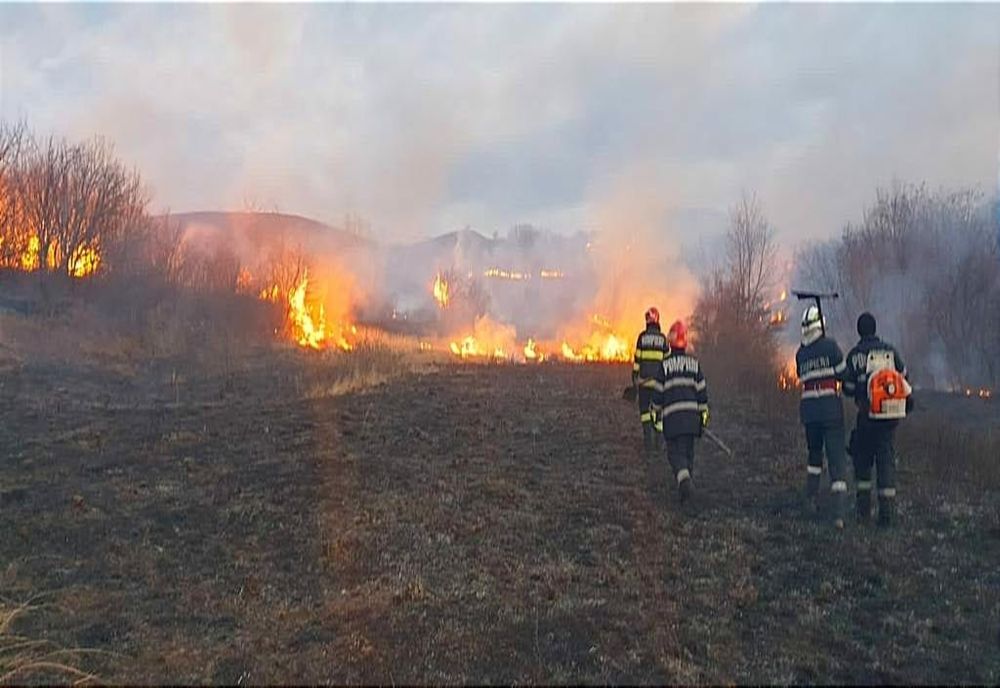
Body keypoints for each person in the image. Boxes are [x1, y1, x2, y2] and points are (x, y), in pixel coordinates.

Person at [841, 312, 912, 527]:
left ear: (859, 331)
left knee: (862, 461)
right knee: (885, 463)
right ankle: (886, 516)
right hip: (890, 419)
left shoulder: (854, 355)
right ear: (875, 329)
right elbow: (904, 377)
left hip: (866, 417)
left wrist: (861, 391)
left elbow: (848, 388)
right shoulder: (891, 351)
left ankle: (863, 513)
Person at [795, 305, 848, 528]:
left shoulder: (800, 353)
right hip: (830, 411)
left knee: (814, 457)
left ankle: (810, 499)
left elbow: (800, 374)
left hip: (810, 413)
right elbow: (843, 372)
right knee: (836, 460)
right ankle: (838, 514)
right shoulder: (831, 346)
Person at [653, 320, 709, 503]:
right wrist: (702, 420)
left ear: (670, 341)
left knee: (675, 455)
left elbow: (658, 395)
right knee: (688, 453)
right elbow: (702, 395)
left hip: (673, 421)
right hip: (691, 420)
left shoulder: (664, 366)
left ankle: (685, 485)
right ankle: (686, 496)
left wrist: (655, 413)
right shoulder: (695, 364)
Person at [632, 307, 669, 453]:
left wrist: (634, 377)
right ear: (658, 320)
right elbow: (667, 362)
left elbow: (637, 361)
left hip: (644, 383)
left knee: (644, 411)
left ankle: (648, 441)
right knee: (658, 413)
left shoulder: (642, 338)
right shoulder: (663, 339)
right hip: (659, 385)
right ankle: (658, 443)